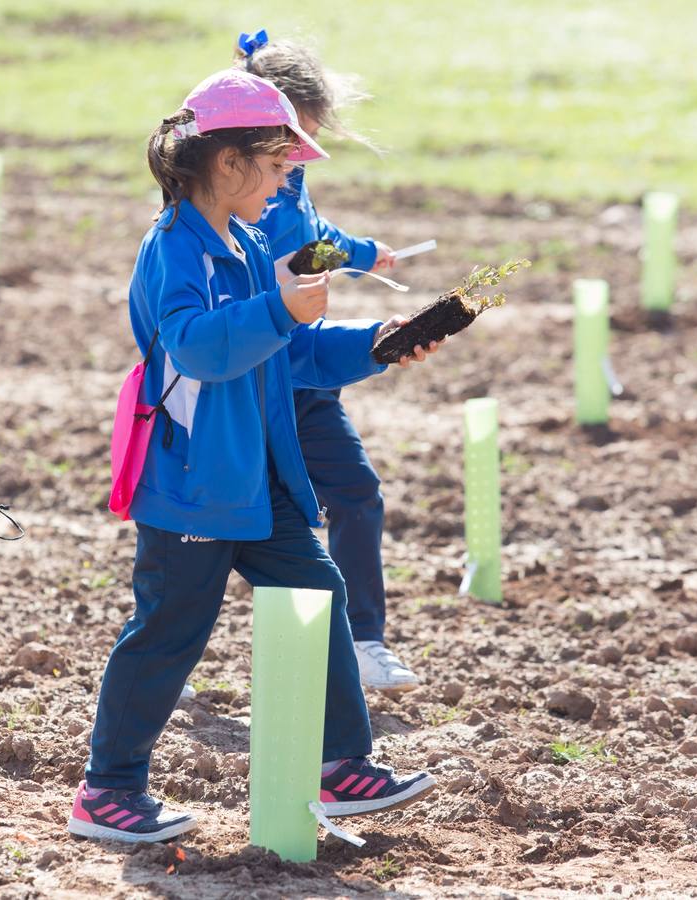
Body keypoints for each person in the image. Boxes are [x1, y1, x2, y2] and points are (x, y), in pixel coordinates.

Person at [69, 69, 441, 843]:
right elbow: (200, 350)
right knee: (169, 632)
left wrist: (374, 345)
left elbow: (290, 356)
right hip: (195, 486)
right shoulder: (174, 250)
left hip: (261, 482)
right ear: (229, 162)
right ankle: (107, 790)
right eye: (275, 167)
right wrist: (277, 307)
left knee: (319, 591)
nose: (284, 183)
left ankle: (341, 767)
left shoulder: (242, 244)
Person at [239, 31, 420, 692]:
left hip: (306, 381)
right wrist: (349, 279)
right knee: (220, 532)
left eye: (309, 142)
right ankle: (166, 655)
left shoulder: (292, 176)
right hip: (255, 383)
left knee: (355, 493)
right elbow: (291, 265)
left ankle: (362, 639)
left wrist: (366, 253)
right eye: (291, 141)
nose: (300, 156)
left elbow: (313, 241)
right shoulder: (235, 207)